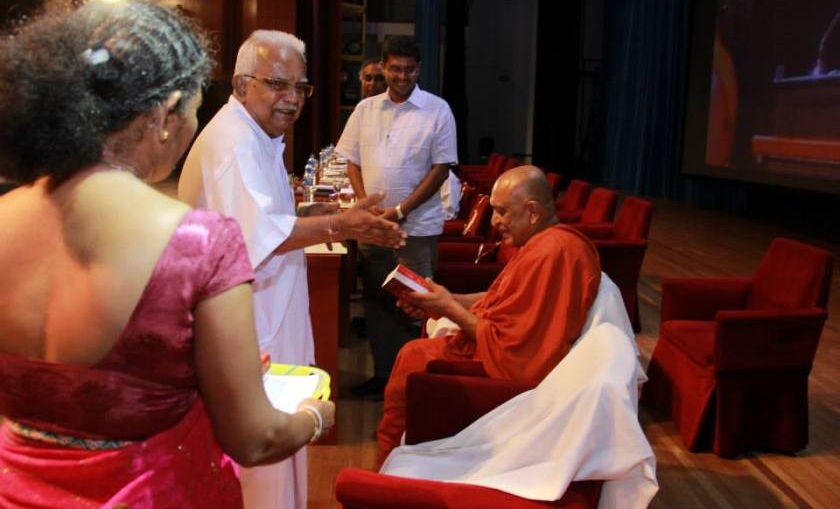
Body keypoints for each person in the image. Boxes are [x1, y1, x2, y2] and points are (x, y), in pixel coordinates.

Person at [0, 0, 334, 508]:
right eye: (194, 111)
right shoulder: (198, 243)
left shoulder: (8, 217)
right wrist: (314, 415)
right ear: (163, 115)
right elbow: (254, 437)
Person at [178, 29, 403, 509]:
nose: (291, 99)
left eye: (299, 88)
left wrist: (324, 219)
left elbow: (266, 220)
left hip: (265, 317)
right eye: (277, 84)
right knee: (258, 472)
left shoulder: (254, 134)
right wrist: (342, 223)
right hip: (248, 329)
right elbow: (260, 237)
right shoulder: (235, 143)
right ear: (241, 85)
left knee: (275, 467)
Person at [377, 166, 602, 461]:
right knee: (414, 351)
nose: (495, 222)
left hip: (507, 375)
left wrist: (449, 308)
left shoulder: (556, 252)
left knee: (414, 356)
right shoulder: (541, 243)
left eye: (502, 212)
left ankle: (389, 462)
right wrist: (441, 298)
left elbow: (517, 352)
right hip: (496, 347)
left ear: (532, 212)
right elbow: (500, 299)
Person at [336, 36, 459, 397]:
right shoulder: (365, 109)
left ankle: (412, 381)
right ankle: (383, 374)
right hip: (374, 226)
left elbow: (440, 169)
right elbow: (352, 161)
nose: (401, 76)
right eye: (394, 69)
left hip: (416, 228)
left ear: (418, 70)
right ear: (384, 67)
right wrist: (364, 203)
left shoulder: (437, 110)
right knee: (376, 298)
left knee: (415, 303)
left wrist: (401, 211)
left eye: (409, 69)